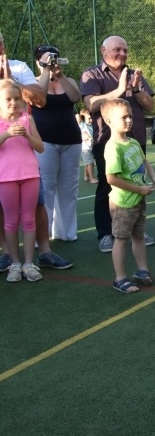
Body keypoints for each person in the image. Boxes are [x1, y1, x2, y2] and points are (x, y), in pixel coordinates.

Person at [0, 35, 74, 273]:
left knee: (38, 203)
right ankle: (6, 254)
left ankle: (43, 252)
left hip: (22, 156)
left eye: (0, 42)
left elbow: (40, 100)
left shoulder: (19, 67)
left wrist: (11, 81)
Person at [81, 35, 155, 252]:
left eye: (125, 50)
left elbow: (150, 105)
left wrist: (136, 89)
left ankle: (136, 230)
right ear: (103, 50)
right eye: (117, 50)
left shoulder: (134, 74)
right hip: (107, 143)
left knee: (138, 184)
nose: (122, 54)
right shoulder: (91, 73)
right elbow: (91, 103)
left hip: (135, 141)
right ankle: (106, 233)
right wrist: (120, 89)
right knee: (108, 187)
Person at [102, 99, 155, 294]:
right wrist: (139, 190)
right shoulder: (113, 147)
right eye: (123, 117)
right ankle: (119, 278)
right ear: (109, 121)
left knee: (138, 236)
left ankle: (142, 270)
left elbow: (145, 161)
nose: (128, 120)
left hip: (137, 200)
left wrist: (153, 177)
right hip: (123, 203)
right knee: (121, 239)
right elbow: (111, 178)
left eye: (130, 116)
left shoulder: (133, 142)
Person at [32, 45, 82, 242]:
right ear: (38, 62)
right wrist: (45, 71)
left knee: (69, 188)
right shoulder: (34, 83)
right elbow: (40, 99)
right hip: (45, 141)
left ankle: (66, 233)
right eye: (45, 59)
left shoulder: (67, 80)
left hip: (71, 140)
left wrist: (59, 75)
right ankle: (42, 236)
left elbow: (76, 98)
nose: (51, 62)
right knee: (46, 188)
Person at [0, 80, 44, 282]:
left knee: (29, 220)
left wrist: (26, 134)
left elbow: (40, 147)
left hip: (30, 176)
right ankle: (14, 263)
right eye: (8, 99)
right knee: (10, 222)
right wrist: (7, 134)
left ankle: (28, 263)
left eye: (17, 99)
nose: (13, 103)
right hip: (6, 178)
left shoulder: (27, 119)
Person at [79, 109, 98, 183]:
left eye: (91, 118)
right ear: (83, 118)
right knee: (90, 163)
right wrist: (82, 116)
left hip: (91, 147)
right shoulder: (82, 125)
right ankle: (92, 178)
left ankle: (86, 176)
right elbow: (77, 116)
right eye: (89, 118)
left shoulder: (92, 126)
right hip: (85, 148)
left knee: (88, 162)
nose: (91, 120)